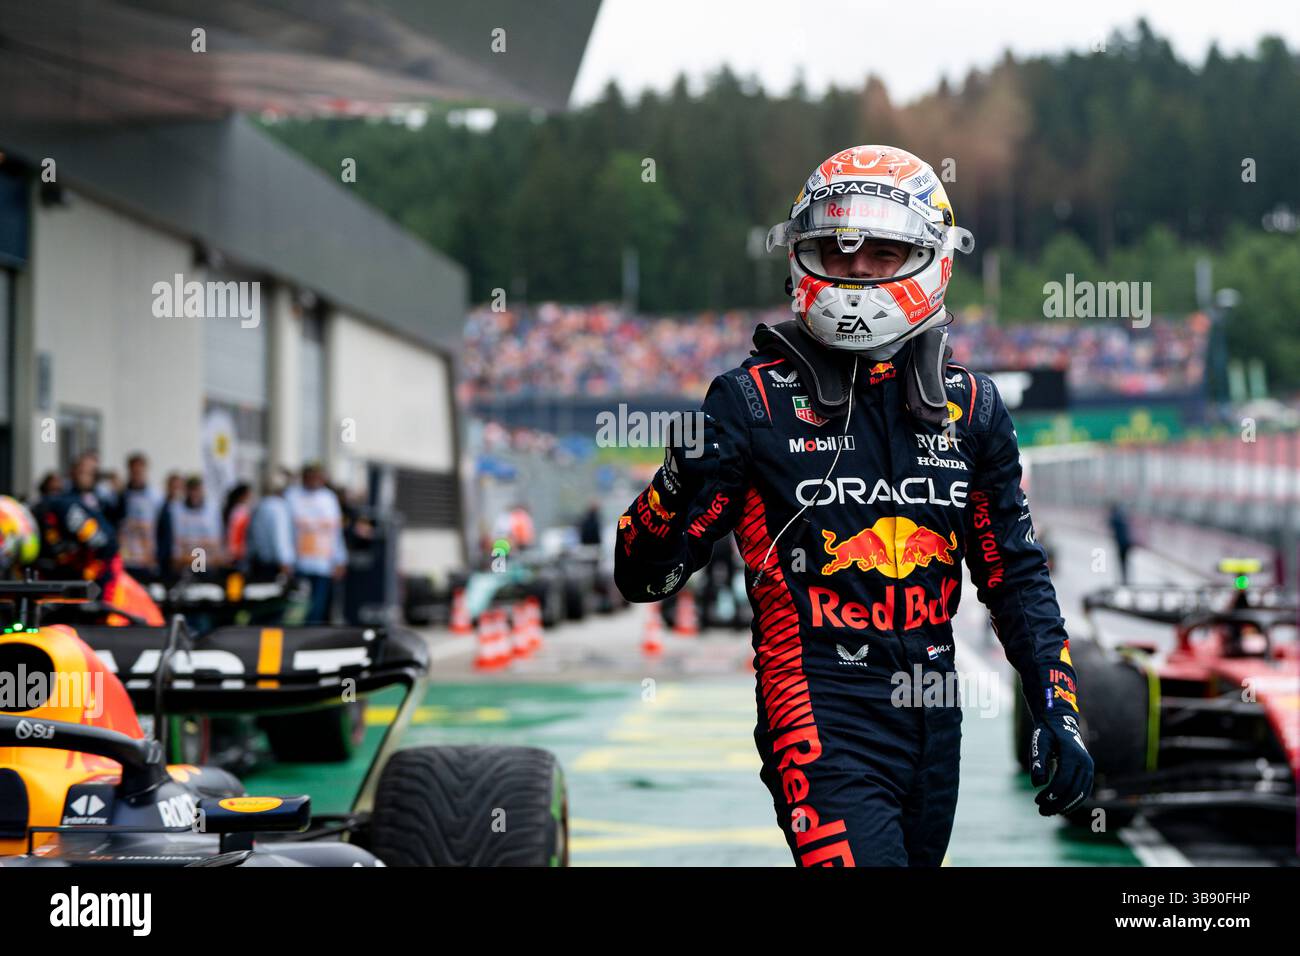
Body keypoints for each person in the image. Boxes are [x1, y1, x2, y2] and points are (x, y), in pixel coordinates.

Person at [614, 145, 1092, 867]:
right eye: (839, 253)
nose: (858, 270)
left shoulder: (973, 408)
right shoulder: (749, 402)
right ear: (803, 256)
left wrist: (1059, 704)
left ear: (933, 258)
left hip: (934, 708)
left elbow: (1015, 578)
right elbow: (642, 576)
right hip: (816, 699)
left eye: (883, 250)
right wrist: (673, 485)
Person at [284, 462, 346, 624]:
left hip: (323, 563)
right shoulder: (292, 495)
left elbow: (335, 531)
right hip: (299, 563)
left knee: (317, 608)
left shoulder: (329, 498)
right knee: (297, 606)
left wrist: (339, 558)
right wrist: (286, 558)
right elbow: (286, 530)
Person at [157, 475, 224, 579]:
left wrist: (192, 545)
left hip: (207, 567)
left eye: (197, 489)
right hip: (183, 568)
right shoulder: (175, 510)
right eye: (191, 490)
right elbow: (176, 548)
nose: (194, 494)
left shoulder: (212, 510)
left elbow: (216, 545)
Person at [113, 452, 164, 581]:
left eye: (140, 471)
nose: (137, 475)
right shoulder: (120, 497)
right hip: (125, 560)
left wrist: (159, 557)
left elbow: (163, 529)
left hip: (147, 560)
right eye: (134, 471)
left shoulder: (156, 498)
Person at [1107, 502, 1132, 584]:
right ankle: (1125, 579)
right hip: (1126, 543)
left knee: (1122, 562)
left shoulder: (1116, 517)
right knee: (1124, 562)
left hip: (1122, 545)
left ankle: (1124, 580)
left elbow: (1110, 523)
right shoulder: (1121, 516)